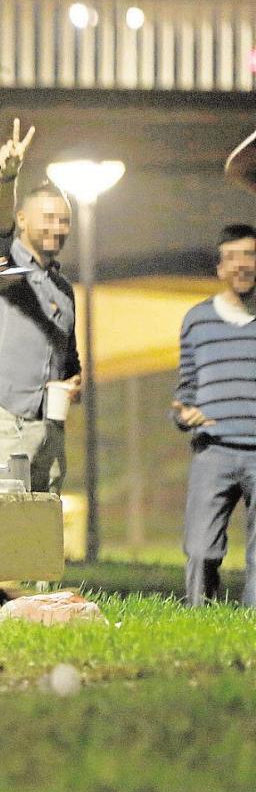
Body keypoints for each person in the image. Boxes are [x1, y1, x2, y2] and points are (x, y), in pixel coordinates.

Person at [0, 119, 80, 495]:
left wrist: (73, 383)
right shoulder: (6, 266)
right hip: (1, 415)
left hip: (47, 425)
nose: (58, 227)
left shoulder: (64, 290)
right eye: (48, 218)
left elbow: (71, 361)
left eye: (64, 220)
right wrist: (7, 176)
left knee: (41, 530)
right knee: (0, 522)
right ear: (22, 220)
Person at [175, 223, 256, 607]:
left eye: (250, 255)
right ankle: (197, 617)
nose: (242, 265)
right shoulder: (197, 320)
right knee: (201, 549)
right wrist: (183, 413)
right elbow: (186, 386)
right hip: (213, 449)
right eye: (232, 257)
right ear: (219, 267)